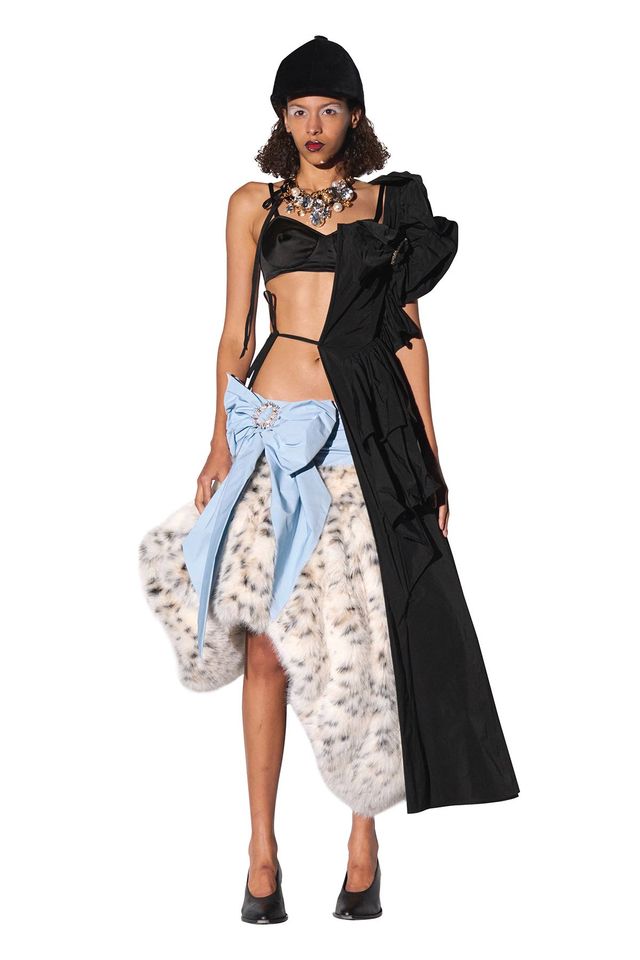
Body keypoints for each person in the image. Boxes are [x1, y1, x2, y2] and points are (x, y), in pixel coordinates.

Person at [138, 35, 519, 923]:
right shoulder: (252, 204)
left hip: (360, 438)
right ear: (282, 118)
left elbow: (408, 336)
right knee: (265, 646)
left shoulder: (390, 206)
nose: (314, 125)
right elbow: (234, 331)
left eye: (330, 109)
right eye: (299, 109)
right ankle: (261, 853)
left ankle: (362, 843)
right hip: (270, 438)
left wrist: (429, 456)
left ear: (355, 116)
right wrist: (218, 441)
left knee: (363, 645)